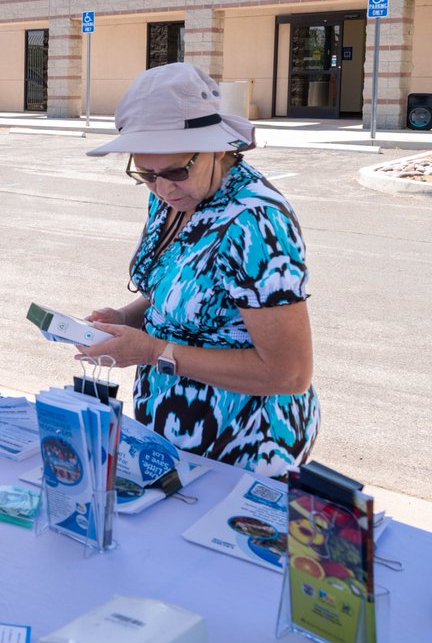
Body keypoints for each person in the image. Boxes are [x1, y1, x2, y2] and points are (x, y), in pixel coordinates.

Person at [78, 62, 318, 478]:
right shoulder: (174, 194)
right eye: (146, 174)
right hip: (173, 436)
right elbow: (179, 285)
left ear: (219, 148)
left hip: (246, 442)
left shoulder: (255, 221)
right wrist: (124, 319)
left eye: (175, 171)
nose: (163, 188)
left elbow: (289, 373)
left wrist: (151, 352)